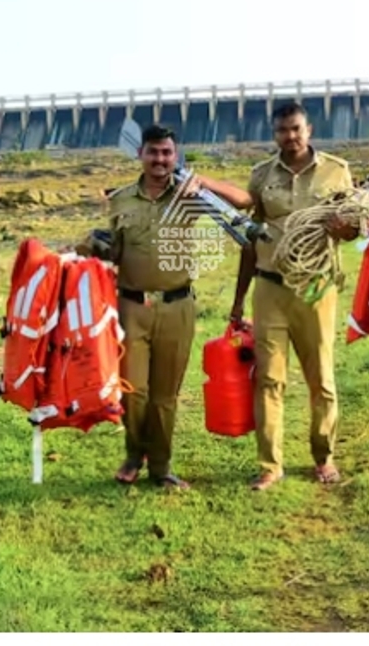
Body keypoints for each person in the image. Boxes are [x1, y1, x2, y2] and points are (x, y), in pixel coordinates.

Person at [101, 124, 253, 490]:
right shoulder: (120, 199)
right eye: (153, 152)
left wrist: (207, 183)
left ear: (176, 156)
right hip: (131, 306)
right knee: (132, 390)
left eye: (167, 153)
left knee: (165, 395)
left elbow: (244, 202)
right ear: (140, 155)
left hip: (177, 307)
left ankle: (161, 466)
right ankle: (135, 454)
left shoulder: (190, 195)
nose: (160, 159)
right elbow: (112, 250)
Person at [229, 102, 357, 491]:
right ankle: (270, 465)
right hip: (270, 288)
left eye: (296, 129)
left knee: (321, 377)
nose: (291, 136)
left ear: (309, 129)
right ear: (274, 134)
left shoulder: (337, 171)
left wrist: (342, 229)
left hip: (316, 287)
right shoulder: (260, 175)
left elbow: (354, 228)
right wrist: (238, 301)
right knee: (269, 379)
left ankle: (324, 457)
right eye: (283, 130)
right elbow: (249, 242)